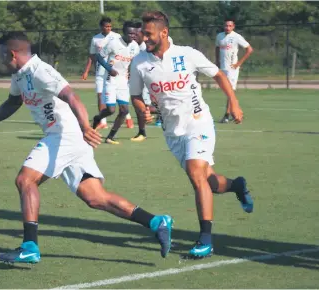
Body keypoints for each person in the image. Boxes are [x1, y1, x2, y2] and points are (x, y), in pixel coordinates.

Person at [0, 32, 173, 264]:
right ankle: (157, 222)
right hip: (65, 137)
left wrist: (86, 126)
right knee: (95, 197)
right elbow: (13, 101)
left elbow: (72, 97)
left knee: (25, 180)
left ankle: (29, 246)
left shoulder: (41, 71)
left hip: (65, 134)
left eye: (0, 53)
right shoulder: (20, 75)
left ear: (11, 53)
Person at [129, 11, 254, 259]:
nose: (144, 37)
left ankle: (205, 239)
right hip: (172, 132)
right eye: (143, 32)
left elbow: (219, 74)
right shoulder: (139, 62)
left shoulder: (187, 54)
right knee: (209, 182)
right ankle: (236, 185)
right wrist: (142, 110)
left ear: (163, 32)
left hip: (199, 122)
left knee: (196, 173)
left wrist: (234, 103)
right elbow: (135, 94)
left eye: (148, 33)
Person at [81, 16, 134, 129]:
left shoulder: (117, 37)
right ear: (101, 27)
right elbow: (92, 55)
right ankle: (102, 122)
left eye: (110, 26)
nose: (108, 28)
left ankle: (128, 118)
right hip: (101, 72)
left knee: (120, 100)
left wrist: (128, 70)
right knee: (100, 96)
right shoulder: (95, 39)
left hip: (116, 74)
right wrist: (87, 70)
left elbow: (127, 54)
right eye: (106, 26)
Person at [92, 21, 139, 145]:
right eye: (130, 33)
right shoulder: (114, 43)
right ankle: (97, 118)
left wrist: (131, 73)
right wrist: (109, 69)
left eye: (134, 34)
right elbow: (99, 57)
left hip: (123, 81)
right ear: (124, 32)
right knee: (111, 110)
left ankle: (110, 137)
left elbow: (134, 62)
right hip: (110, 80)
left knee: (124, 110)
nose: (132, 36)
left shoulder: (135, 47)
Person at [215, 18, 253, 123]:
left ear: (233, 27)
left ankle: (228, 115)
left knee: (230, 91)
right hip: (222, 68)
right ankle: (236, 112)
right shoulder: (220, 36)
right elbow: (217, 48)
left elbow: (249, 49)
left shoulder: (236, 37)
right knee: (228, 92)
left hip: (232, 69)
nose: (227, 27)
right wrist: (217, 61)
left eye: (229, 26)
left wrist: (238, 63)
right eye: (226, 26)